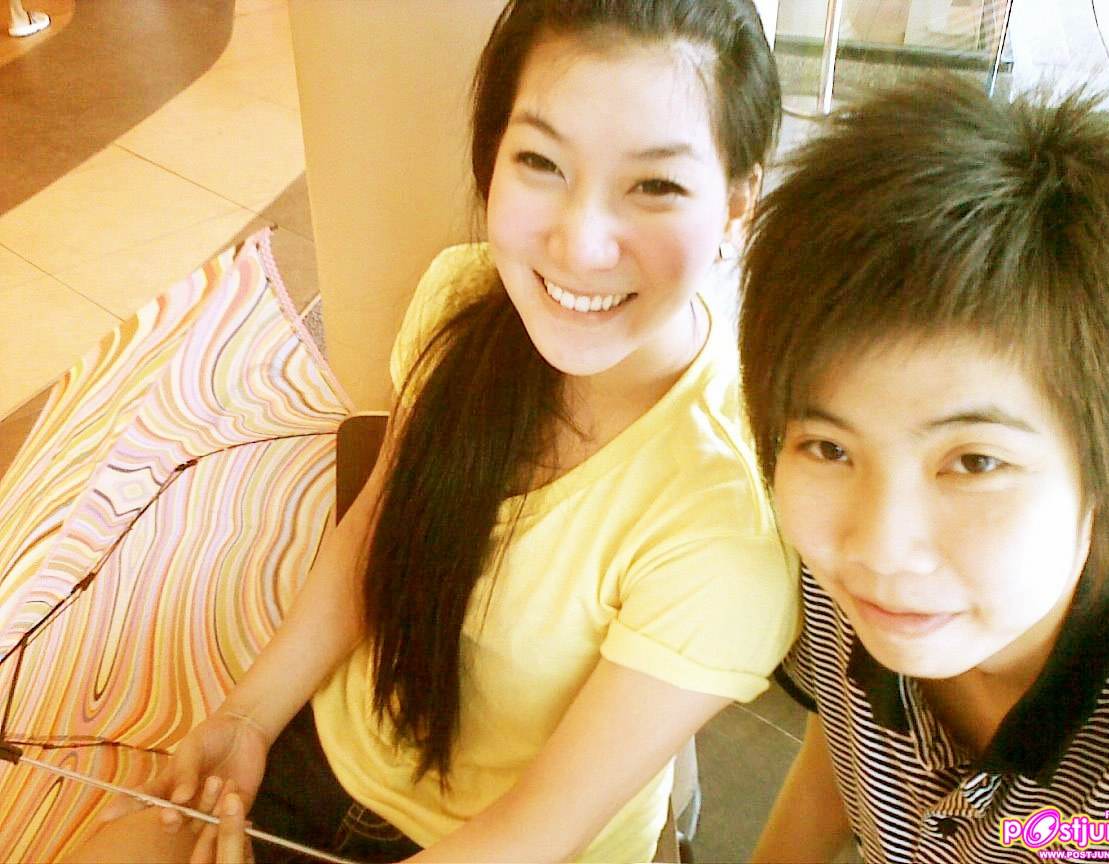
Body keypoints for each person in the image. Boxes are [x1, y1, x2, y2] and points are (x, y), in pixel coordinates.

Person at [64, 1, 799, 862]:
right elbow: (376, 532)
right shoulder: (460, 298)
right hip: (327, 765)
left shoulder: (729, 519)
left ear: (737, 206)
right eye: (541, 162)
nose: (581, 246)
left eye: (656, 186)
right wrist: (247, 719)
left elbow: (535, 830)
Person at [739, 74, 1109, 862]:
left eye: (974, 462)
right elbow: (849, 735)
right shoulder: (853, 592)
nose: (880, 548)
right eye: (829, 448)